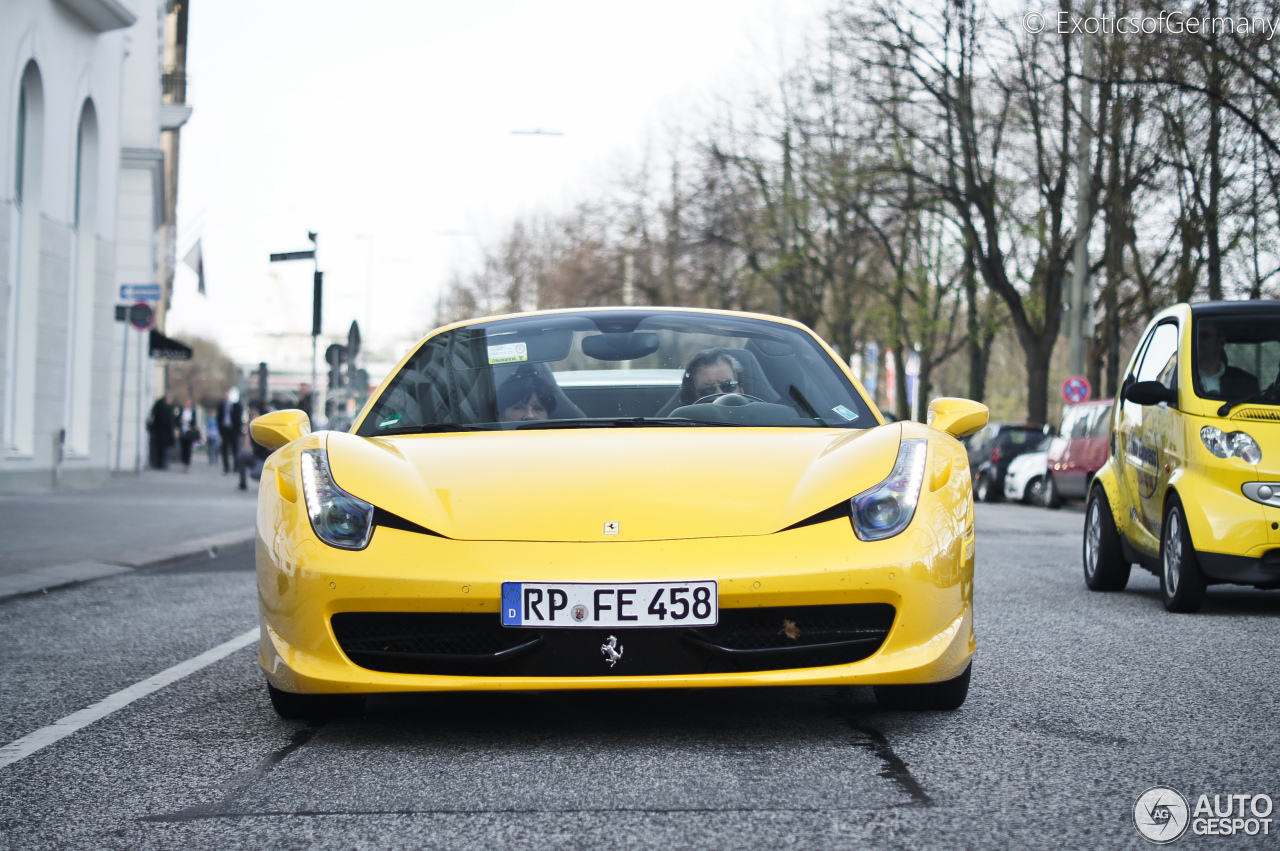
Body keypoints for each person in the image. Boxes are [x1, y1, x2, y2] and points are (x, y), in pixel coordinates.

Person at [1198, 321, 1258, 398]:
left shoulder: (1246, 382)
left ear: (1221, 342)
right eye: (1194, 336)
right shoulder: (1180, 378)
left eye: (1204, 336)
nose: (1198, 341)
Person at [679, 348, 749, 405]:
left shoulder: (757, 420)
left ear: (741, 390)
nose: (719, 393)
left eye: (728, 385)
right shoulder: (681, 422)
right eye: (708, 389)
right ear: (692, 398)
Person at [218, 388, 243, 474]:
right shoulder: (222, 405)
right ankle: (226, 467)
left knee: (235, 449)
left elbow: (239, 418)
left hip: (234, 430)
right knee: (224, 449)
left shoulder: (236, 405)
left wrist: (238, 430)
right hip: (225, 429)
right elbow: (219, 417)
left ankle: (236, 467)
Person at [147, 395, 176, 469]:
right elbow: (168, 421)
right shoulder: (165, 408)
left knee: (158, 449)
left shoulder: (158, 408)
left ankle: (158, 463)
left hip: (158, 433)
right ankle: (162, 464)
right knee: (164, 449)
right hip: (164, 433)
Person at [177, 398, 198, 472]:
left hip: (189, 432)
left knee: (188, 448)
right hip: (183, 431)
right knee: (183, 447)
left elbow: (194, 421)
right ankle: (184, 462)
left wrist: (190, 423)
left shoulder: (192, 411)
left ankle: (187, 463)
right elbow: (178, 419)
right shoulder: (181, 410)